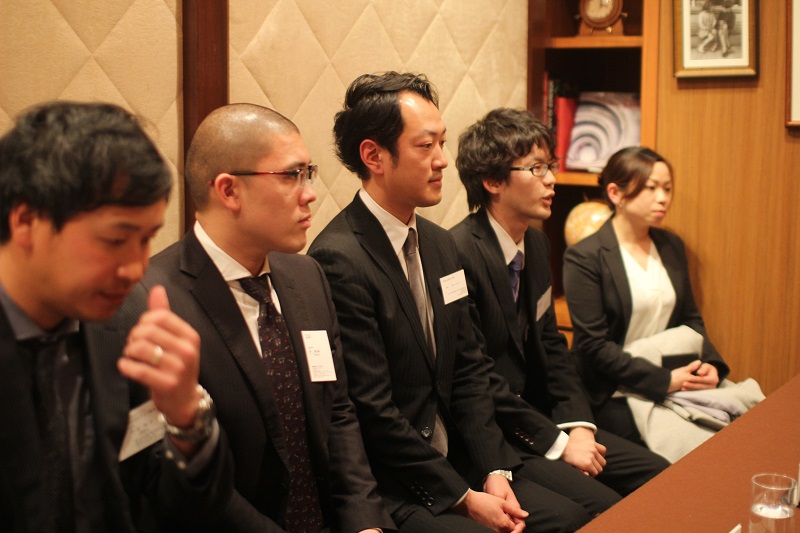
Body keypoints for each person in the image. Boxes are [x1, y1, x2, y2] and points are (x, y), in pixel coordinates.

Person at [309, 72, 592, 533]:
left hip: (461, 457)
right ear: (374, 156)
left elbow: (469, 368)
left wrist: (493, 470)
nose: (443, 160)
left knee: (574, 517)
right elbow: (373, 410)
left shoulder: (440, 244)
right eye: (426, 146)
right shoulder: (340, 257)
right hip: (399, 483)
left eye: (442, 143)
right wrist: (463, 499)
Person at [108, 103, 394, 533]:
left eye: (309, 173)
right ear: (229, 191)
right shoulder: (147, 303)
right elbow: (168, 479)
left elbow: (336, 411)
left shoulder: (307, 276)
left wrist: (364, 521)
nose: (309, 193)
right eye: (291, 175)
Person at [0, 101, 232, 532]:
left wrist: (187, 418)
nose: (135, 269)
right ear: (26, 221)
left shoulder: (122, 322)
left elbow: (173, 504)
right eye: (114, 240)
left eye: (146, 240)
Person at [450, 109, 670, 504]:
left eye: (550, 165)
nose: (551, 178)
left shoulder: (536, 243)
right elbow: (475, 374)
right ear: (493, 181)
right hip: (495, 431)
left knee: (659, 474)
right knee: (605, 505)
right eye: (537, 168)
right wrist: (558, 442)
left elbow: (552, 345)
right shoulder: (457, 253)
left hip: (542, 414)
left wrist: (579, 425)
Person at [562, 146, 736, 456]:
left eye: (667, 188)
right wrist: (663, 380)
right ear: (616, 193)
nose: (663, 198)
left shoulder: (670, 246)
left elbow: (690, 319)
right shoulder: (585, 257)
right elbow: (594, 346)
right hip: (612, 390)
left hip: (673, 379)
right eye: (651, 188)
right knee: (691, 451)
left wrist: (711, 364)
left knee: (738, 424)